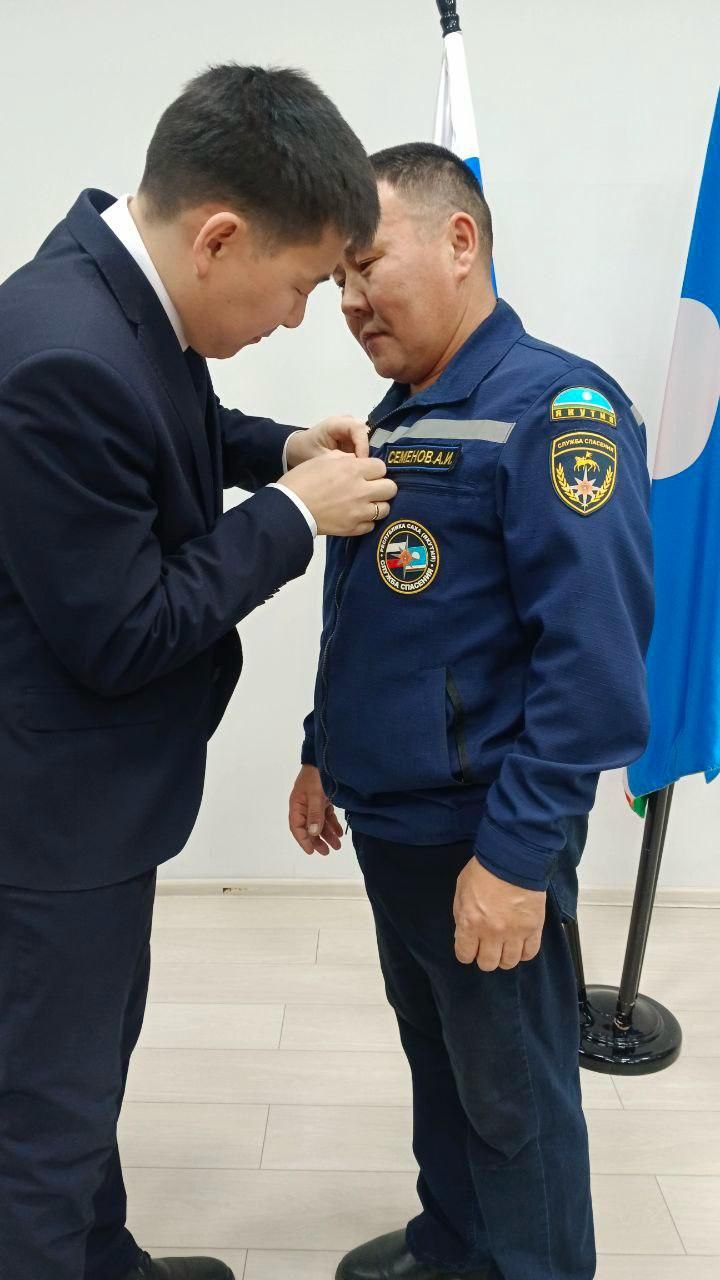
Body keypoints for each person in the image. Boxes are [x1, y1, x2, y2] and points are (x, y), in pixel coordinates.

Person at [0, 64, 398, 1280]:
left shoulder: (113, 290)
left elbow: (165, 430)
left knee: (87, 1066)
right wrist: (292, 512)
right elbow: (124, 630)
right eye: (300, 284)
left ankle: (101, 1258)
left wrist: (278, 445)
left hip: (90, 803)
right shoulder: (59, 355)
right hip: (46, 818)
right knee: (43, 1121)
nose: (299, 317)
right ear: (220, 236)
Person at [289, 143, 654, 1280]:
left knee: (514, 1100)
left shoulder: (559, 410)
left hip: (482, 834)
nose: (349, 301)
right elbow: (377, 611)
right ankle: (454, 1246)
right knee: (441, 1062)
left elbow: (594, 669)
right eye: (337, 279)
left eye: (366, 265)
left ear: (460, 242)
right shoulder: (401, 413)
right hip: (395, 823)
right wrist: (321, 750)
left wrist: (514, 856)